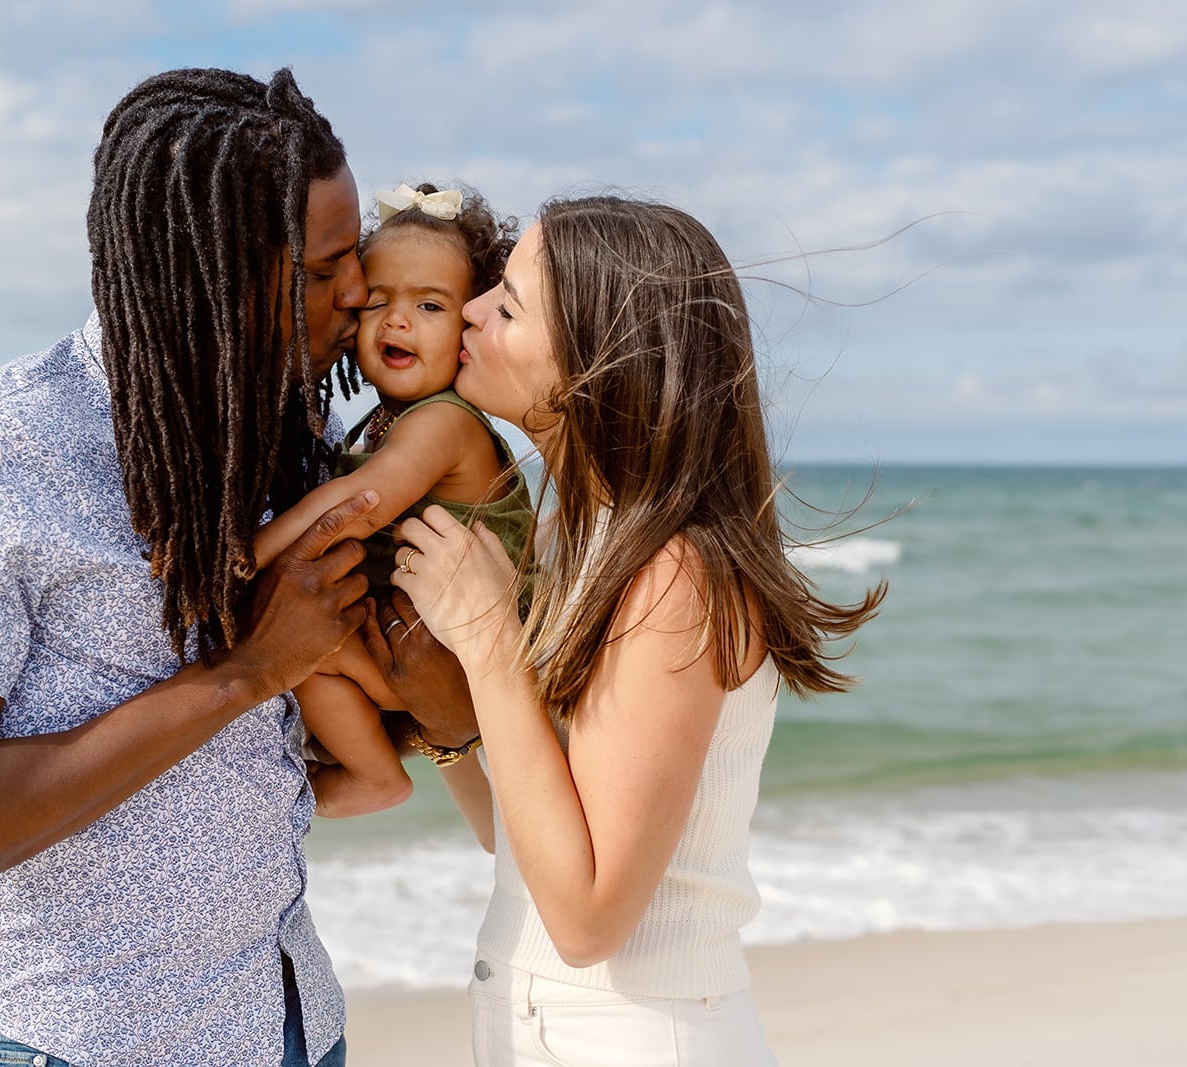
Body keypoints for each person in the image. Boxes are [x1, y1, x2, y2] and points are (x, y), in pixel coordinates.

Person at [0, 68, 381, 1067]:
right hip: (79, 1045)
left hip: (292, 1025)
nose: (358, 294)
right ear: (200, 274)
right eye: (321, 270)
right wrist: (246, 672)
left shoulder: (287, 433)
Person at [370, 197, 886, 1065]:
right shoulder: (580, 535)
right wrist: (452, 732)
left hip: (628, 1032)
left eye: (511, 304)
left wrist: (492, 645)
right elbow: (528, 839)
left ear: (601, 362)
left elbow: (588, 915)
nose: (470, 310)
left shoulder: (671, 573)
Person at [252, 181, 532, 818]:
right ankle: (364, 764)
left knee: (304, 650)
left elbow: (362, 501)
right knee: (308, 648)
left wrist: (249, 552)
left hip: (455, 658)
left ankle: (374, 776)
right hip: (418, 647)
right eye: (379, 303)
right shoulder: (381, 422)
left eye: (430, 307)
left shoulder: (444, 423)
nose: (399, 321)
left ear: (470, 327)